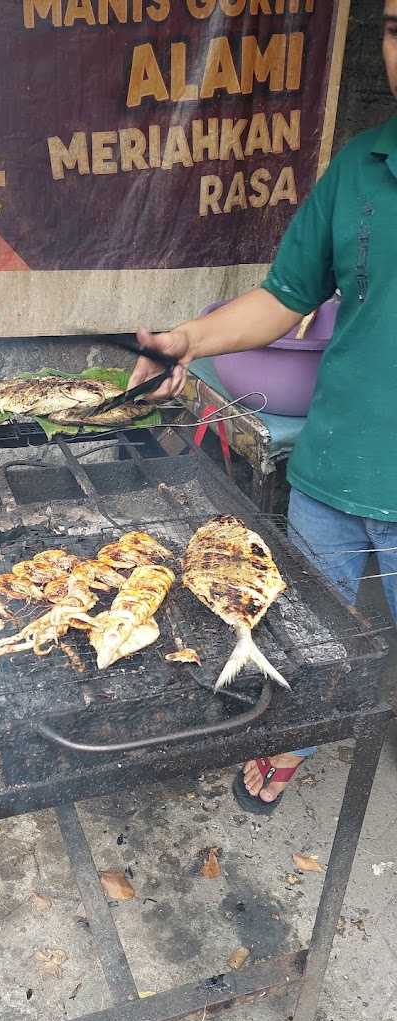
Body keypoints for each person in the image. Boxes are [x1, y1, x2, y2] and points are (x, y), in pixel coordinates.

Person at [127, 1, 397, 813]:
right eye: (394, 29)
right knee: (301, 649)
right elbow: (285, 299)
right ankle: (295, 742)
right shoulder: (361, 164)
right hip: (332, 470)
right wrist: (187, 341)